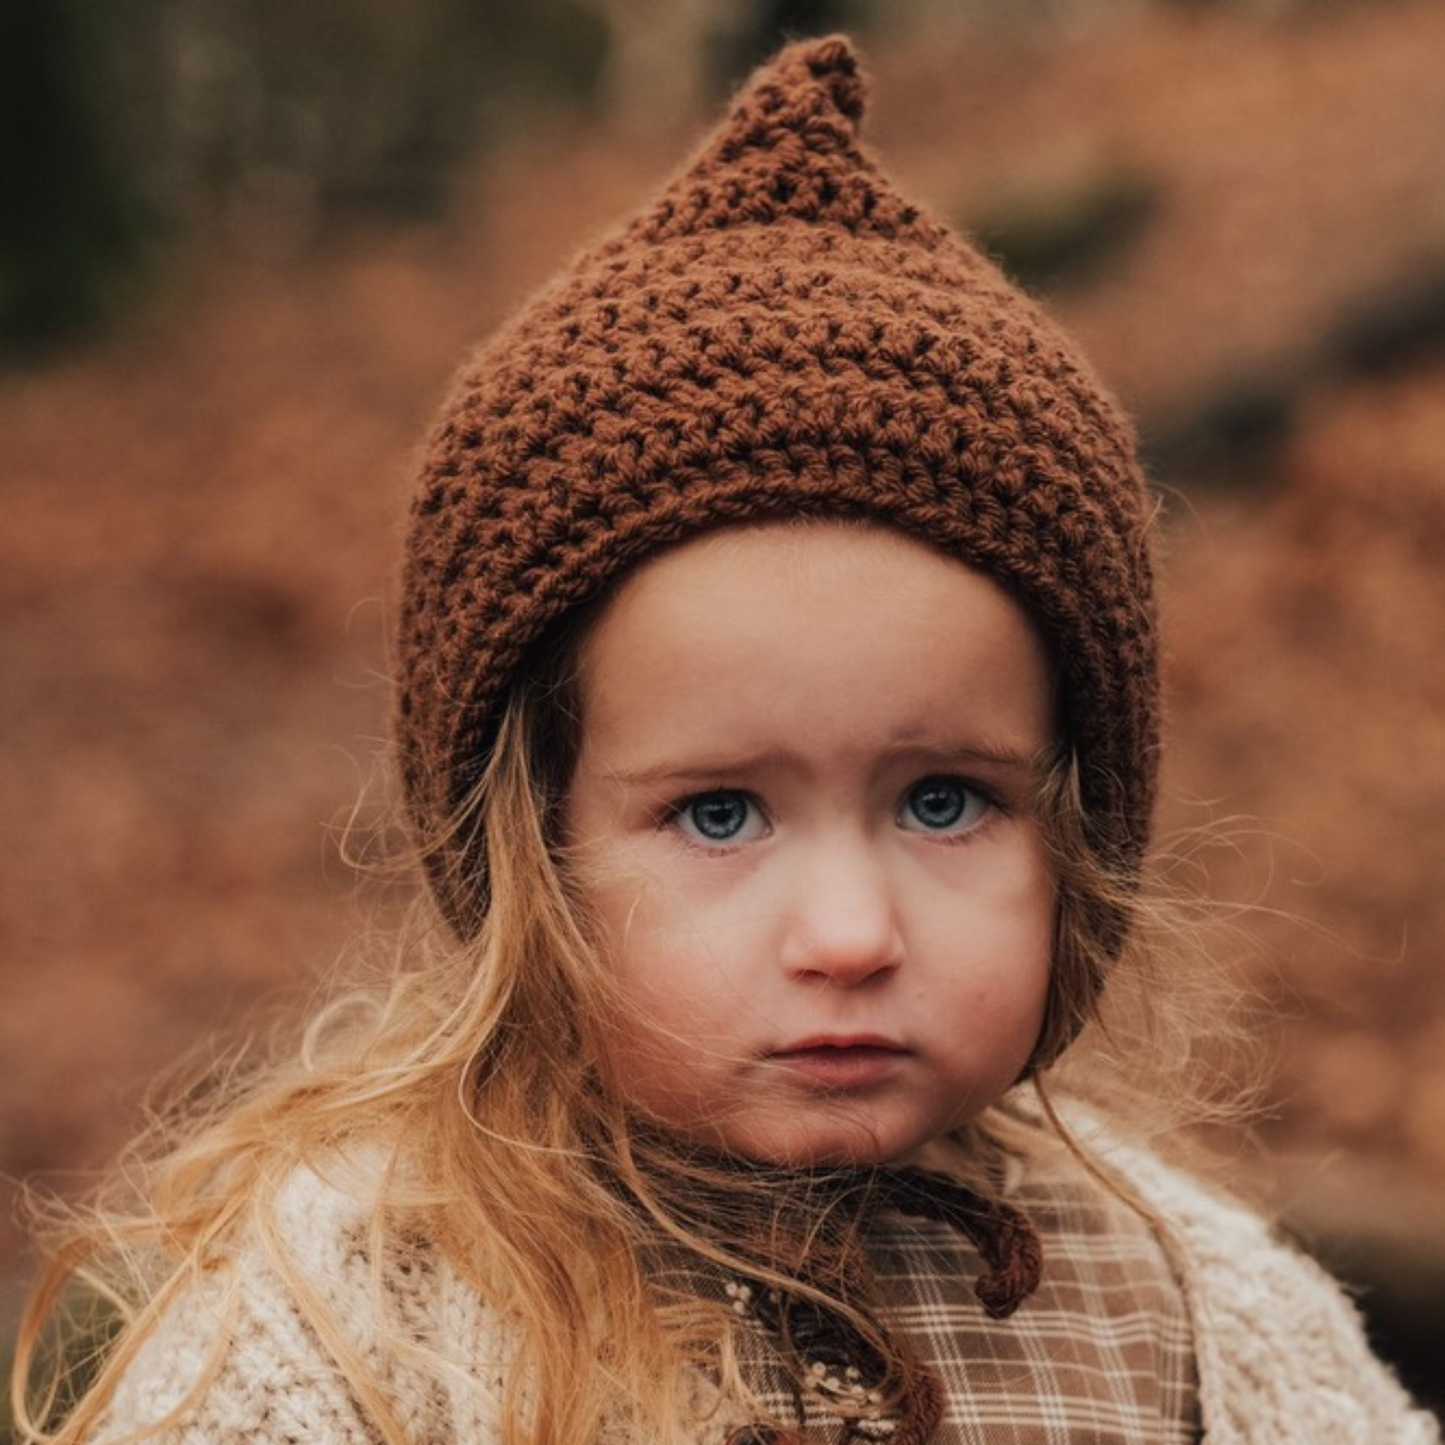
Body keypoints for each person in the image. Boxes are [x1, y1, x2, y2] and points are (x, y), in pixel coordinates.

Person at [13, 35, 1438, 1445]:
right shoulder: (340, 1332)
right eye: (719, 815)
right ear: (529, 842)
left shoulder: (1201, 1324)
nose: (848, 931)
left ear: (1082, 824)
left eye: (946, 801)